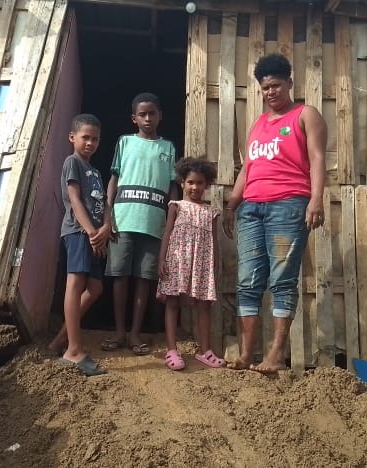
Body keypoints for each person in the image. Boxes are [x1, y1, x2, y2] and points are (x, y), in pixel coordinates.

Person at [222, 53, 327, 375]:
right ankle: (245, 355)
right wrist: (232, 204)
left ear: (289, 83)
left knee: (282, 280)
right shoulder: (258, 125)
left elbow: (318, 158)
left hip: (288, 205)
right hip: (252, 209)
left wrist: (316, 199)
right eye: (265, 87)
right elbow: (248, 169)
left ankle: (276, 355)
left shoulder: (305, 115)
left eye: (276, 85)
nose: (271, 92)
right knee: (248, 282)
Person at [102, 93, 179, 355]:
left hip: (154, 223)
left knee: (144, 279)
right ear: (134, 118)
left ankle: (136, 332)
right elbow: (114, 179)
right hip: (123, 219)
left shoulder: (167, 148)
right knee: (119, 276)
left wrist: (172, 216)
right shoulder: (125, 142)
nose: (148, 118)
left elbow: (172, 187)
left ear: (160, 116)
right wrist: (107, 214)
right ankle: (120, 331)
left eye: (152, 113)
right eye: (142, 114)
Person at [156, 158, 227, 371]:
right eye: (190, 182)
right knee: (172, 302)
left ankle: (205, 351)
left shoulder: (211, 212)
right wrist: (162, 259)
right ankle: (171, 349)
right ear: (182, 184)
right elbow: (167, 233)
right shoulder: (176, 206)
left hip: (202, 263)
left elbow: (214, 241)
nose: (195, 187)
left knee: (204, 304)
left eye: (200, 183)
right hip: (178, 260)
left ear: (206, 185)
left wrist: (216, 264)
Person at [53, 113, 110, 376]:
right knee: (75, 285)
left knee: (95, 288)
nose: (90, 143)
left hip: (95, 234)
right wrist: (90, 231)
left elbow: (104, 205)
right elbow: (74, 199)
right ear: (72, 137)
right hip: (78, 232)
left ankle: (62, 338)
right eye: (85, 137)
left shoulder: (95, 172)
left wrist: (105, 229)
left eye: (95, 139)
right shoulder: (72, 162)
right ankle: (73, 350)